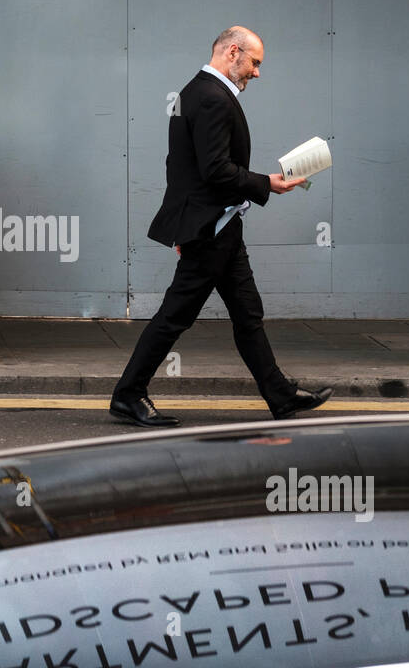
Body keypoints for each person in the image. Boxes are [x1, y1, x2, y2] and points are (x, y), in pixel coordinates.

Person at [110, 26, 333, 427]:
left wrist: (186, 221)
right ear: (233, 52)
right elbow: (214, 170)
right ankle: (128, 394)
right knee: (174, 316)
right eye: (254, 63)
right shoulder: (212, 98)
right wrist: (267, 183)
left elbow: (179, 167)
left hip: (219, 228)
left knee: (248, 314)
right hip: (211, 232)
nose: (257, 73)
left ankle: (280, 397)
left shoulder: (194, 91)